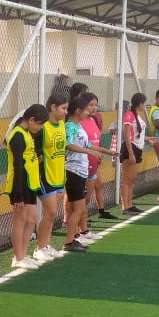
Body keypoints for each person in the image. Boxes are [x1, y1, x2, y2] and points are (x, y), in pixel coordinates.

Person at [63, 95, 114, 252]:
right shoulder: (70, 126)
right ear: (78, 110)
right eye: (86, 109)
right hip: (73, 171)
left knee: (79, 208)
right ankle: (70, 241)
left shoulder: (78, 126)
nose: (89, 112)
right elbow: (68, 144)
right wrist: (89, 152)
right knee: (79, 208)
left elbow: (88, 144)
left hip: (81, 171)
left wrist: (106, 151)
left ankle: (75, 237)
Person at [5, 104, 48, 269]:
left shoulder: (27, 133)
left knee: (31, 220)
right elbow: (17, 166)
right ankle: (18, 257)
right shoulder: (17, 136)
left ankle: (22, 255)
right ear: (31, 120)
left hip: (30, 184)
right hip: (20, 185)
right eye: (40, 124)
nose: (41, 127)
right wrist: (17, 194)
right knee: (20, 220)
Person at [32, 93, 69, 259]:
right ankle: (39, 248)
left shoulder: (61, 124)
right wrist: (38, 157)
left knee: (52, 214)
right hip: (45, 175)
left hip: (59, 174)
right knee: (51, 212)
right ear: (53, 107)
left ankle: (46, 245)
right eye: (63, 108)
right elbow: (34, 149)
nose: (65, 112)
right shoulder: (43, 127)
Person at [80, 92, 118, 221]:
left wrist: (103, 152)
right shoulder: (77, 123)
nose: (94, 107)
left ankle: (87, 217)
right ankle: (75, 221)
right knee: (81, 196)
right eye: (91, 105)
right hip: (82, 164)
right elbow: (79, 144)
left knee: (91, 192)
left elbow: (95, 141)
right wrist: (91, 152)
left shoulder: (94, 119)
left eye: (96, 104)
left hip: (94, 162)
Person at [120, 92, 148, 213]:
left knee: (132, 180)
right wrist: (131, 154)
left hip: (137, 148)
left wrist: (148, 139)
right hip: (130, 148)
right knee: (127, 179)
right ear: (140, 103)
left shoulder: (137, 115)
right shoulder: (129, 115)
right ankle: (125, 206)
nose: (145, 105)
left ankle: (129, 204)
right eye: (144, 103)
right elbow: (127, 135)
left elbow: (136, 134)